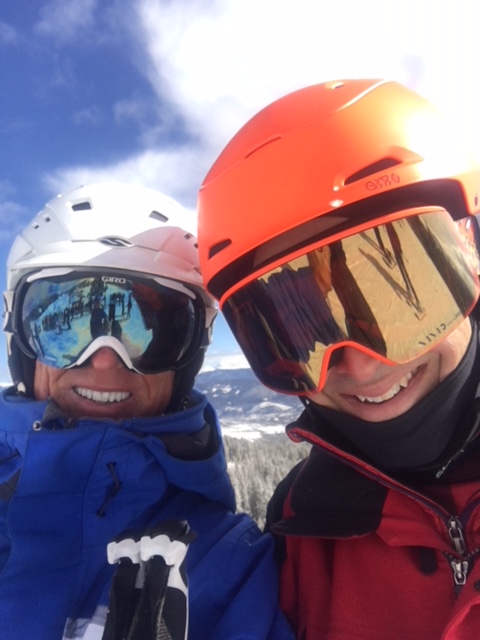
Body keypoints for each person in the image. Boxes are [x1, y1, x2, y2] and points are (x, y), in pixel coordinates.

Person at [196, 79, 480, 638]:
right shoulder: (301, 528)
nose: (359, 367)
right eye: (297, 331)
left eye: (399, 297)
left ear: (468, 251)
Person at [0, 182, 294, 640]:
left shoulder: (226, 564)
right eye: (66, 325)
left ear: (188, 359)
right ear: (20, 340)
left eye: (151, 331)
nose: (104, 359)